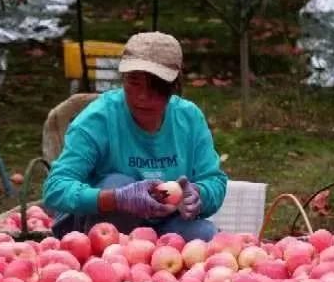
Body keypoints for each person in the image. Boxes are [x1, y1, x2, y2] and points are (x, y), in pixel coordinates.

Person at [43, 31, 227, 242]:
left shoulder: (189, 117)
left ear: (175, 84)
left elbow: (214, 180)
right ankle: (106, 265)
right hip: (101, 228)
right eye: (134, 82)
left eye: (155, 86)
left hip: (165, 224)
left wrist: (198, 194)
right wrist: (116, 199)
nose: (142, 96)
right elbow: (55, 188)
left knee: (205, 234)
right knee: (116, 182)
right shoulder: (98, 119)